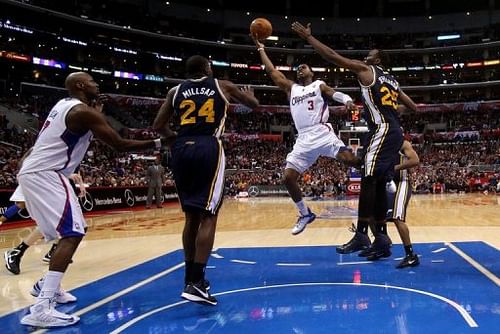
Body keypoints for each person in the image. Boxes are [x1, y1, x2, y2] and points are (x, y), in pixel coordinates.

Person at [18, 72, 168, 328]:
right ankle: (42, 306)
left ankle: (48, 287)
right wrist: (160, 142)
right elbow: (119, 144)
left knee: (71, 232)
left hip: (38, 172)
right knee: (72, 233)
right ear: (79, 85)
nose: (96, 84)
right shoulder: (81, 112)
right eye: (91, 81)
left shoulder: (63, 107)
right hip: (47, 174)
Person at [292, 22, 418, 254]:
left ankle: (361, 234)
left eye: (371, 54)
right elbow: (413, 107)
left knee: (368, 179)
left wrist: (309, 38)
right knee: (378, 183)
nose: (366, 55)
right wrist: (395, 110)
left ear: (378, 60)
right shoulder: (393, 81)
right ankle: (381, 238)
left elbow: (332, 56)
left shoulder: (366, 70)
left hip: (381, 129)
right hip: (394, 130)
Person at [153, 55, 259, 305]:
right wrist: (250, 94)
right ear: (207, 69)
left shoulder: (174, 90)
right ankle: (197, 282)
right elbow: (253, 105)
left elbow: (158, 125)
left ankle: (190, 278)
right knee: (209, 215)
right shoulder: (222, 85)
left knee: (191, 216)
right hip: (208, 146)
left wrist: (174, 139)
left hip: (181, 149)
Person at [251, 34, 360, 235]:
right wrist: (261, 49)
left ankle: (384, 176)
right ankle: (305, 213)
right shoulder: (291, 88)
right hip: (303, 138)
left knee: (352, 160)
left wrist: (347, 100)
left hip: (322, 131)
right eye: (298, 67)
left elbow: (333, 92)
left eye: (304, 66)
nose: (301, 68)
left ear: (311, 71)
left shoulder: (318, 84)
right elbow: (273, 71)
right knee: (288, 177)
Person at [4, 173, 86, 275]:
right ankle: (17, 252)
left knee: (77, 226)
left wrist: (79, 183)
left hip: (57, 183)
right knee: (55, 222)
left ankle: (52, 251)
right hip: (41, 179)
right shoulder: (36, 166)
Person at [388, 140, 420, 268]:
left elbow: (415, 160)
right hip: (387, 181)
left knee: (397, 217)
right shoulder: (381, 143)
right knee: (375, 215)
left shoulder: (402, 144)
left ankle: (411, 255)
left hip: (402, 182)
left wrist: (394, 168)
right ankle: (382, 246)